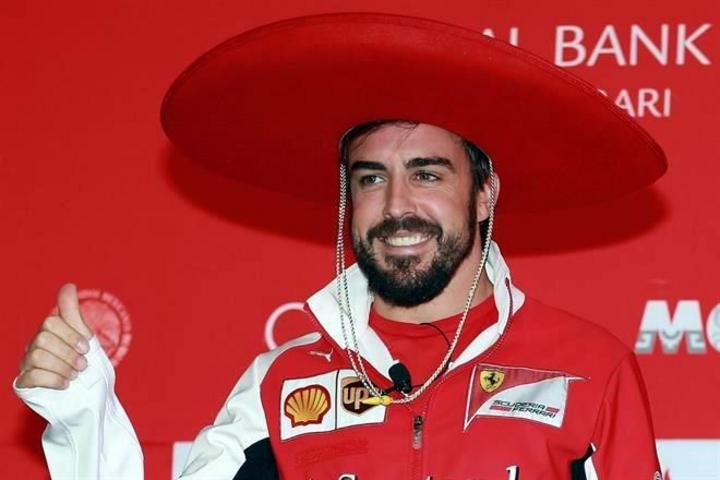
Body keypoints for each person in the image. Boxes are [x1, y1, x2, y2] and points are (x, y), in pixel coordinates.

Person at [14, 13, 665, 480]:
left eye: (428, 175)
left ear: (484, 194)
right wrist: (81, 418)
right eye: (371, 179)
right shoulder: (283, 381)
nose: (397, 206)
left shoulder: (590, 367)